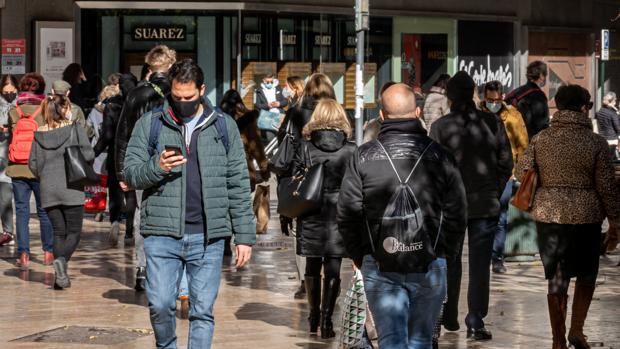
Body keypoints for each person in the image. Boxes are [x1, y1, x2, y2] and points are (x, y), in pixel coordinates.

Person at [123, 58, 255, 349]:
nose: (182, 102)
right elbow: (130, 172)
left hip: (208, 237)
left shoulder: (224, 126)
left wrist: (244, 236)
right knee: (159, 305)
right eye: (176, 96)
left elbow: (237, 182)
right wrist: (157, 166)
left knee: (202, 312)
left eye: (189, 97)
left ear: (202, 90)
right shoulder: (151, 124)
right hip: (160, 234)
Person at [338, 83, 467, 348]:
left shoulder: (362, 157)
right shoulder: (441, 156)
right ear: (418, 112)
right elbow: (457, 213)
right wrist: (446, 255)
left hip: (379, 261)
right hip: (430, 262)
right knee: (421, 340)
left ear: (381, 116)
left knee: (390, 340)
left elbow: (348, 213)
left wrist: (361, 255)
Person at [515, 85, 620, 349]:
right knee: (586, 273)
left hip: (549, 216)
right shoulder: (595, 142)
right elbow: (606, 186)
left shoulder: (541, 139)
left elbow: (520, 172)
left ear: (558, 106)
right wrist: (616, 219)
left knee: (558, 276)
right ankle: (576, 330)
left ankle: (557, 340)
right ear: (585, 107)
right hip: (587, 216)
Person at [430, 71, 513, 340]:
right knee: (480, 265)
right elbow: (505, 162)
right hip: (484, 202)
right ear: (473, 94)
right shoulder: (491, 122)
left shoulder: (441, 126)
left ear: (450, 96)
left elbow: (433, 169)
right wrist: (494, 189)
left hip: (450, 205)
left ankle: (450, 313)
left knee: (449, 259)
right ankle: (475, 319)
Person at [292, 98, 356, 339]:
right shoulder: (351, 149)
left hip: (311, 210)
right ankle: (328, 321)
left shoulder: (305, 147)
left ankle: (313, 317)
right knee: (333, 266)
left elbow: (295, 180)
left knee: (311, 264)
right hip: (339, 213)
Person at [115, 44, 176, 292]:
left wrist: (122, 171)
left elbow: (122, 136)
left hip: (141, 162)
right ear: (171, 65)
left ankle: (143, 267)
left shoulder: (135, 95)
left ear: (149, 67)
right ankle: (168, 266)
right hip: (173, 158)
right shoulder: (180, 93)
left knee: (142, 213)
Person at [276, 73, 335, 299]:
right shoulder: (336, 111)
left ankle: (306, 282)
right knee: (331, 234)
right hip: (332, 181)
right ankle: (328, 287)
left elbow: (286, 152)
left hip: (304, 181)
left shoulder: (296, 112)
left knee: (301, 232)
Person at [28, 94, 94, 289]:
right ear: (64, 109)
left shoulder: (39, 133)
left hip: (48, 189)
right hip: (72, 187)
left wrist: (45, 175)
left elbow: (32, 163)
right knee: (74, 232)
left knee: (58, 232)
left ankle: (60, 278)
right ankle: (62, 261)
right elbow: (88, 154)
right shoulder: (74, 128)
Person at [479, 80, 529, 274]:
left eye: (497, 99)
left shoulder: (514, 117)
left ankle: (497, 258)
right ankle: (484, 256)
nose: (493, 103)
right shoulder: (478, 115)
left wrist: (517, 172)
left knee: (500, 218)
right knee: (483, 219)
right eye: (490, 99)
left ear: (502, 96)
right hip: (481, 176)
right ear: (484, 97)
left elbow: (523, 146)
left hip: (505, 175)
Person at [6, 73, 54, 268]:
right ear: (41, 88)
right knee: (44, 211)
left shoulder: (14, 110)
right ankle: (48, 252)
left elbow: (10, 135)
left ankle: (23, 253)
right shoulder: (46, 109)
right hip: (40, 167)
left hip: (17, 167)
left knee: (22, 211)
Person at [93, 74, 138, 246]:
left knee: (115, 190)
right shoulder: (139, 103)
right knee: (131, 191)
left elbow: (106, 135)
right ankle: (129, 231)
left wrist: (94, 153)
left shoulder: (112, 105)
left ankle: (114, 222)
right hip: (135, 151)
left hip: (115, 152)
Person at [220, 89, 270, 192]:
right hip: (243, 170)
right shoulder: (248, 118)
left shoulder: (216, 118)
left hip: (220, 172)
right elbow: (256, 146)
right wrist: (264, 169)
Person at [505, 60, 549, 139]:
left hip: (513, 140)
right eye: (545, 75)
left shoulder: (517, 91)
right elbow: (542, 125)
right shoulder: (539, 96)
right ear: (541, 76)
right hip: (529, 142)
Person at [0, 74, 18, 246]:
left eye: (12, 90)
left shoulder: (20, 105)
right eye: (6, 90)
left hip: (12, 155)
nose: (9, 93)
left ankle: (8, 232)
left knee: (6, 197)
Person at [595, 92, 620, 159]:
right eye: (615, 100)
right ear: (612, 101)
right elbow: (618, 128)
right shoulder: (612, 113)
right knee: (611, 161)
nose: (615, 102)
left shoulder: (599, 112)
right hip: (612, 140)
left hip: (602, 139)